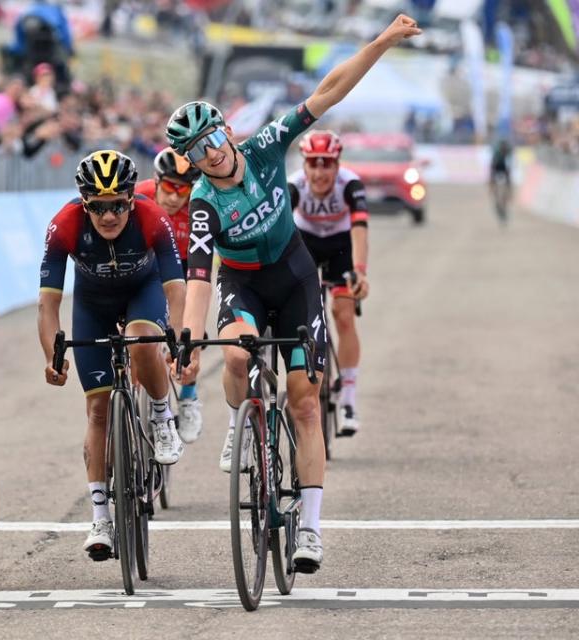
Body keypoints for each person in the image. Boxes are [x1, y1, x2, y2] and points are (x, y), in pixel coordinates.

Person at [169, 14, 421, 574]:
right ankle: (241, 420)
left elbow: (326, 93)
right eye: (195, 149)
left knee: (306, 402)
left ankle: (309, 526)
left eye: (211, 137)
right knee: (236, 353)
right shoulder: (205, 201)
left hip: (296, 278)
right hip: (245, 286)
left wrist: (380, 42)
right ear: (190, 160)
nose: (208, 152)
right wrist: (186, 338)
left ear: (225, 132)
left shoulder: (263, 147)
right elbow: (198, 276)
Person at [37, 149, 186, 560]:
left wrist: (175, 334)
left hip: (144, 292)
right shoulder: (63, 225)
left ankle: (160, 415)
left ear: (130, 199)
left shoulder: (152, 216)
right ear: (84, 203)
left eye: (117, 205)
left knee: (141, 339)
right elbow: (47, 304)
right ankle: (100, 517)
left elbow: (176, 285)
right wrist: (53, 353)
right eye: (98, 207)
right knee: (98, 412)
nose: (108, 216)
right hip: (92, 305)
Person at [288, 130, 370, 436]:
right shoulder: (294, 185)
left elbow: (360, 229)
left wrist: (360, 271)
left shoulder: (350, 185)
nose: (320, 172)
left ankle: (348, 397)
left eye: (327, 164)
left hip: (340, 246)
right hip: (306, 241)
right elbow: (280, 230)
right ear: (304, 165)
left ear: (337, 165)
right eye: (313, 164)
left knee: (343, 314)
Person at [134, 148, 204, 443]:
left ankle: (188, 397)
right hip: (146, 264)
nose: (175, 197)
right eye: (170, 188)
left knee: (188, 324)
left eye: (183, 190)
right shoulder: (139, 198)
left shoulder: (199, 207)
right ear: (156, 181)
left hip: (185, 268)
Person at [489, 138, 513, 223]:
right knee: (497, 194)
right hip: (497, 172)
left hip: (504, 173)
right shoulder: (497, 154)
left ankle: (502, 206)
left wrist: (509, 184)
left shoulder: (508, 153)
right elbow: (492, 168)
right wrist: (491, 181)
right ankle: (498, 206)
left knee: (504, 194)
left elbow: (509, 169)